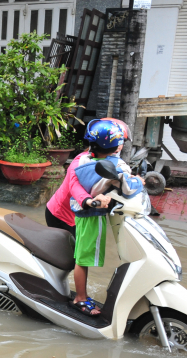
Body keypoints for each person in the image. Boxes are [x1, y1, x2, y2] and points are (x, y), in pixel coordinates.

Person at [68, 119, 144, 316]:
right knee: (83, 259)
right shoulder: (115, 166)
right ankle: (80, 298)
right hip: (91, 215)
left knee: (82, 256)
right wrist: (140, 181)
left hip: (82, 212)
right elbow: (128, 189)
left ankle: (82, 295)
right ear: (114, 145)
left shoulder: (84, 159)